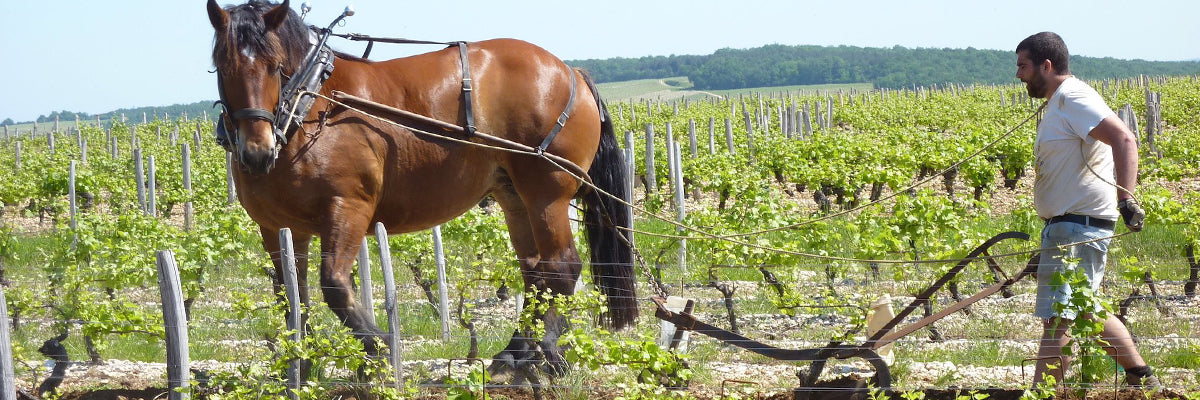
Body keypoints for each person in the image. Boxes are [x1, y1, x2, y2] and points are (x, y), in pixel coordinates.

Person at [1015, 32, 1159, 388]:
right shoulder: (1059, 101)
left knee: (1059, 317)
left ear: (1046, 66)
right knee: (1082, 305)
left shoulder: (1074, 97)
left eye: (1023, 66)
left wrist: (1127, 199)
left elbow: (1124, 138)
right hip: (1068, 225)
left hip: (1079, 225)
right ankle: (1141, 376)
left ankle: (1042, 395)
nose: (1018, 74)